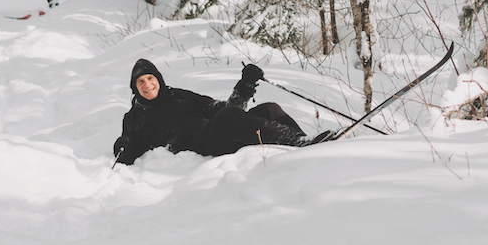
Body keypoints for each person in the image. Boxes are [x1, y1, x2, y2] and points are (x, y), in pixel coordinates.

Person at [113, 58, 332, 165]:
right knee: (229, 118)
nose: (147, 84)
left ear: (159, 80)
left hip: (209, 132)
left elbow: (220, 109)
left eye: (150, 78)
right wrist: (122, 146)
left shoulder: (178, 95)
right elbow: (129, 150)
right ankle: (297, 144)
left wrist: (245, 85)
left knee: (269, 109)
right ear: (135, 87)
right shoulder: (133, 116)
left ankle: (304, 143)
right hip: (191, 148)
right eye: (140, 81)